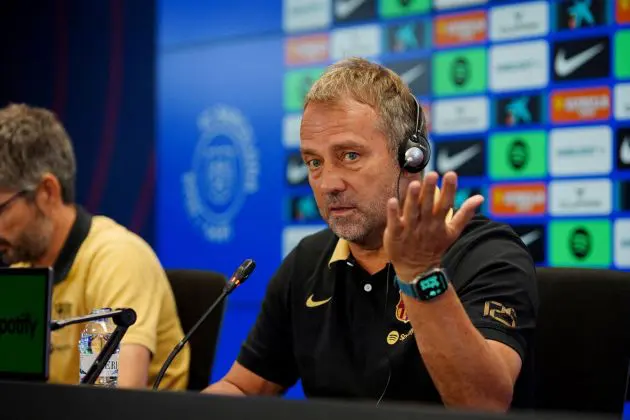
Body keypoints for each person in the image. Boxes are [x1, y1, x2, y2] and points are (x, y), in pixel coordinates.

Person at [203, 58, 538, 412]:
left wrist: (420, 274)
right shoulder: (306, 261)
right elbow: (243, 387)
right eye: (314, 162)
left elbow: (483, 404)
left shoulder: (488, 253)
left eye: (350, 155)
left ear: (411, 159)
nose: (328, 183)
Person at [0, 103, 189, 390]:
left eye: (1, 210)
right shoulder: (22, 270)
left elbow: (108, 399)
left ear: (47, 192)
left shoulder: (115, 261)